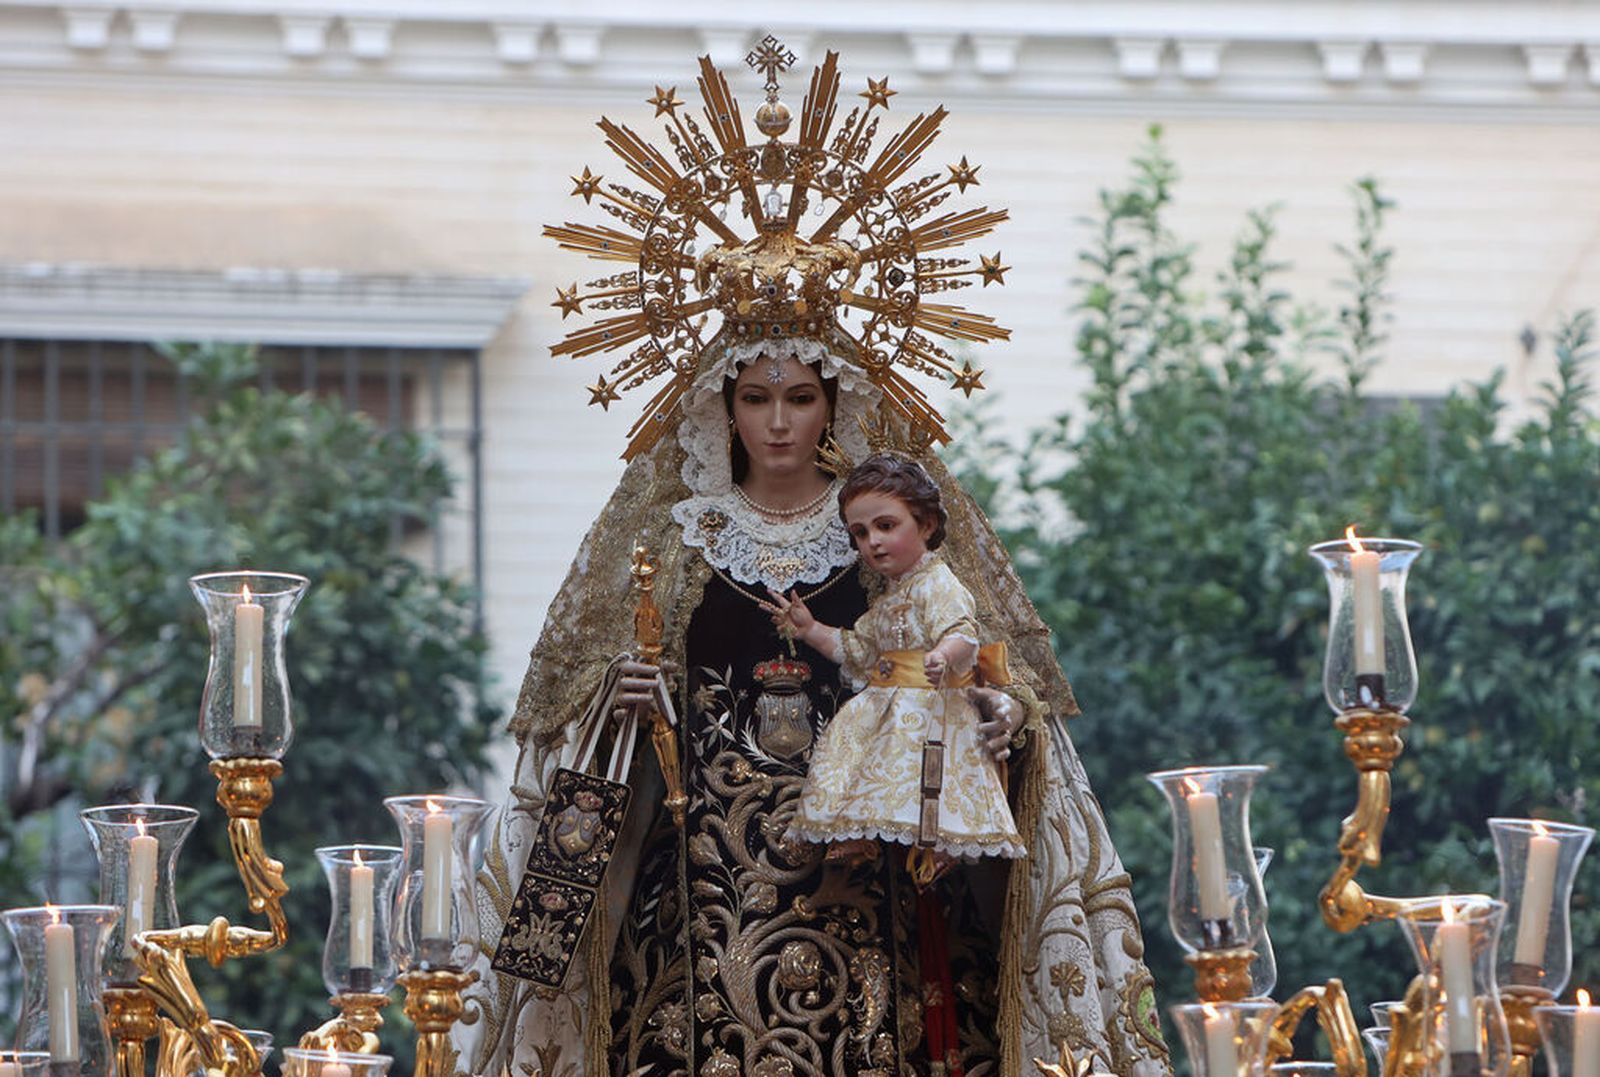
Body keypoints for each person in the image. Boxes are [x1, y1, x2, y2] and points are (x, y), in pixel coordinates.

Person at [459, 42, 1170, 1077]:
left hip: (880, 904)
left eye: (800, 398)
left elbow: (1001, 694)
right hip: (697, 934)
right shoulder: (670, 542)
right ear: (722, 407)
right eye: (756, 398)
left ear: (833, 403)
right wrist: (617, 709)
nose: (779, 423)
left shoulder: (891, 536)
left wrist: (991, 710)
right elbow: (577, 755)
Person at [768, 454, 1025, 880]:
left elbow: (964, 632)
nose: (873, 542)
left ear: (924, 525)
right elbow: (855, 650)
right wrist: (809, 628)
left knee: (921, 770)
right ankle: (855, 832)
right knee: (848, 749)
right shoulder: (885, 603)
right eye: (861, 533)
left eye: (886, 526)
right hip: (886, 701)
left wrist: (943, 655)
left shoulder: (938, 583)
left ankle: (941, 842)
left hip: (927, 702)